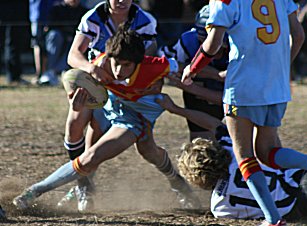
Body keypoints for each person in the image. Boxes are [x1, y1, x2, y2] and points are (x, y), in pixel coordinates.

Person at [181, 1, 307, 226]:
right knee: (267, 152)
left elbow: (213, 43)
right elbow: (298, 35)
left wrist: (193, 68)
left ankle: (273, 220)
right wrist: (280, 66)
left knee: (245, 157)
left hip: (243, 85)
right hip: (276, 85)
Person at [12, 27, 200, 211]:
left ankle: (177, 183)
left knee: (148, 152)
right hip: (111, 103)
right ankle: (40, 191)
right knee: (89, 153)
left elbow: (185, 69)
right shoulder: (101, 65)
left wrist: (217, 76)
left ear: (138, 62)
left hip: (138, 113)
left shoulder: (154, 65)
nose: (118, 70)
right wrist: (77, 104)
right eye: (116, 62)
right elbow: (77, 78)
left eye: (126, 65)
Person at [157, 94, 307, 224]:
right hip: (301, 177)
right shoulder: (233, 149)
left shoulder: (220, 207)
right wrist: (175, 109)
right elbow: (213, 123)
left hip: (295, 206)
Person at [59, 0, 158, 211]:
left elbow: (148, 58)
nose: (121, 1)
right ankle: (82, 186)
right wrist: (91, 67)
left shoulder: (144, 21)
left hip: (124, 89)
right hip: (95, 81)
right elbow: (73, 54)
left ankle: (81, 186)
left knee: (96, 138)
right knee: (74, 125)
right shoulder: (93, 17)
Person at [159, 4, 227, 141]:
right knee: (203, 146)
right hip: (201, 98)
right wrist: (216, 75)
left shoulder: (240, 46)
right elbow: (166, 64)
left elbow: (237, 100)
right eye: (203, 42)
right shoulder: (189, 41)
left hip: (233, 97)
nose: (211, 49)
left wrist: (195, 85)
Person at [38, 0, 87, 85]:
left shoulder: (84, 12)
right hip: (58, 39)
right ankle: (50, 72)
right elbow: (49, 27)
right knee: (55, 36)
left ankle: (61, 71)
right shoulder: (56, 9)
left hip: (73, 40)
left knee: (74, 44)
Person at [0, 0, 30, 85]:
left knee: (12, 41)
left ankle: (14, 75)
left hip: (11, 9)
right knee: (12, 41)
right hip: (11, 9)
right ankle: (13, 76)